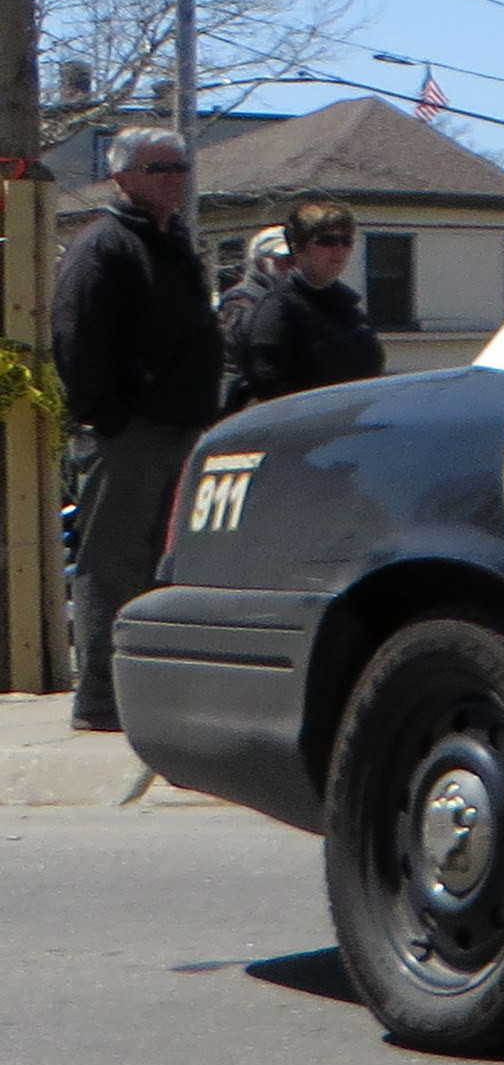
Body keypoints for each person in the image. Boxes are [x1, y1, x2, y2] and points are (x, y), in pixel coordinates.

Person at [52, 126, 222, 732]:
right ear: (122, 178)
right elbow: (77, 340)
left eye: (181, 167)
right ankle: (99, 700)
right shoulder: (103, 246)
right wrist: (111, 418)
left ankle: (151, 697)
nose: (175, 178)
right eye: (160, 168)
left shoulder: (174, 243)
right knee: (114, 565)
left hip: (182, 430)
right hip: (127, 437)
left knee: (165, 567)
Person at [227, 199, 384, 410]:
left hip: (352, 426)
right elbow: (268, 384)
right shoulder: (276, 308)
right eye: (326, 241)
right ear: (298, 247)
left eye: (346, 241)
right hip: (303, 431)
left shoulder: (351, 310)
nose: (339, 250)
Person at [214, 224, 289, 408]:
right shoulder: (238, 303)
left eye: (294, 260)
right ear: (260, 262)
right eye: (282, 260)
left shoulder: (289, 301)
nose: (289, 267)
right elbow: (235, 355)